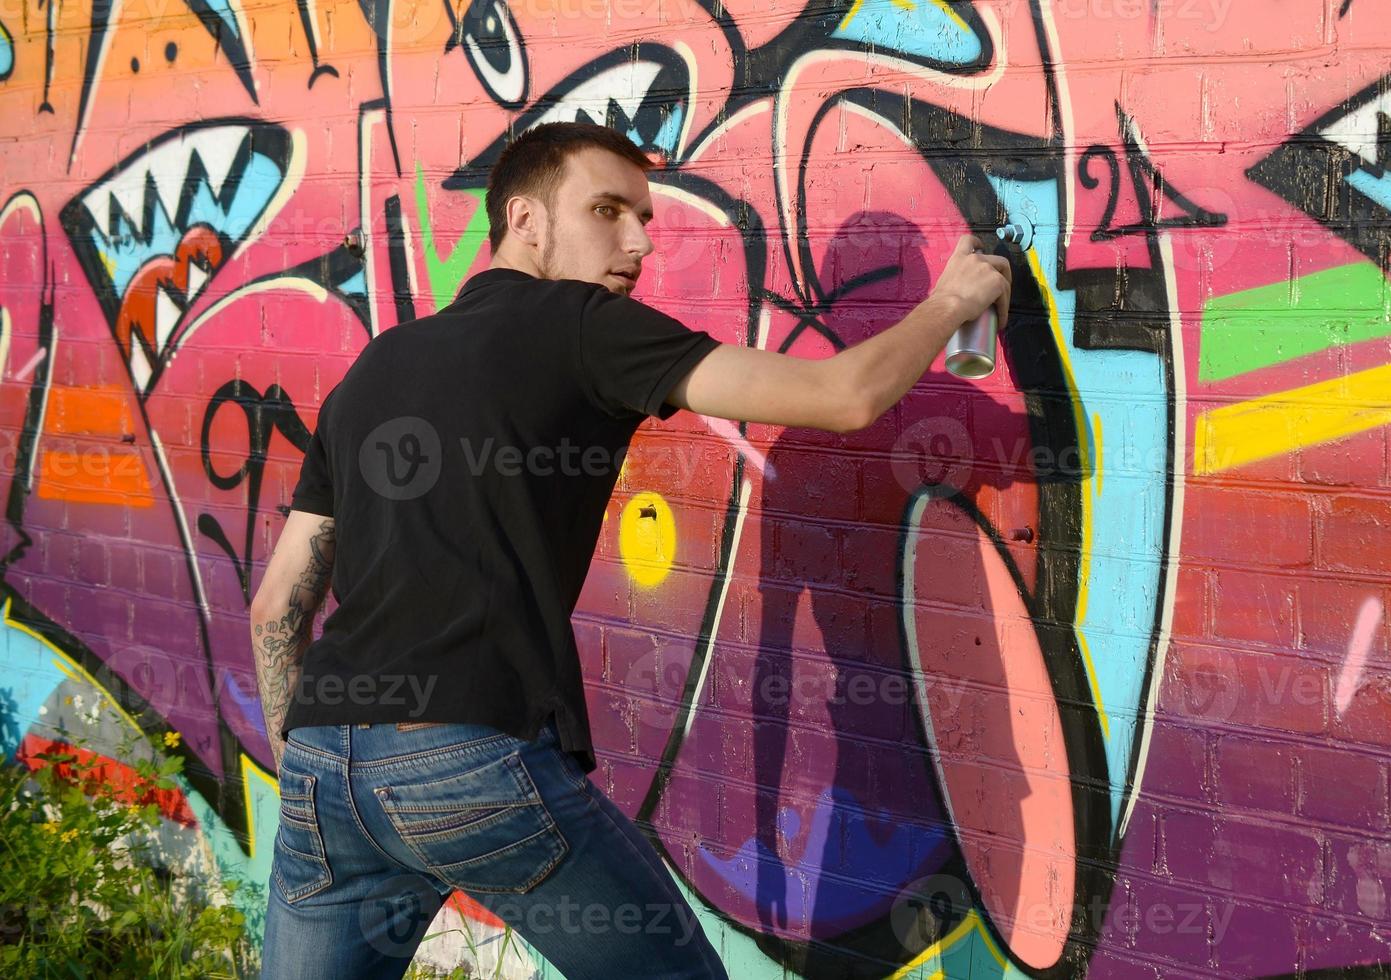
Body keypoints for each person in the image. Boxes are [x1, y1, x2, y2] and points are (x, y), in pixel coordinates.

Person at [249, 120, 1012, 979]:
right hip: (468, 752)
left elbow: (278, 606)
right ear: (525, 220)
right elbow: (842, 396)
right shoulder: (582, 325)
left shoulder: (374, 368)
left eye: (643, 216)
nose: (639, 241)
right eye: (607, 210)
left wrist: (313, 777)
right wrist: (953, 301)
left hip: (320, 761)